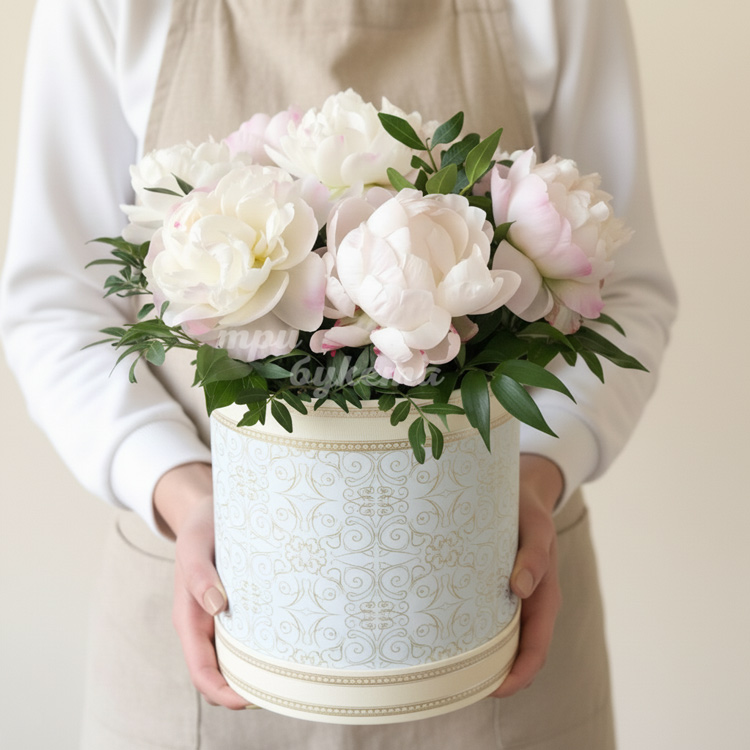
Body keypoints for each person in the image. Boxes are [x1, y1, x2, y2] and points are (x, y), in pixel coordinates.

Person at [0, 0, 677, 748]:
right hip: (209, 604)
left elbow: (624, 291)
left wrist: (537, 475)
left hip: (491, 598)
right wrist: (179, 489)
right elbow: (56, 302)